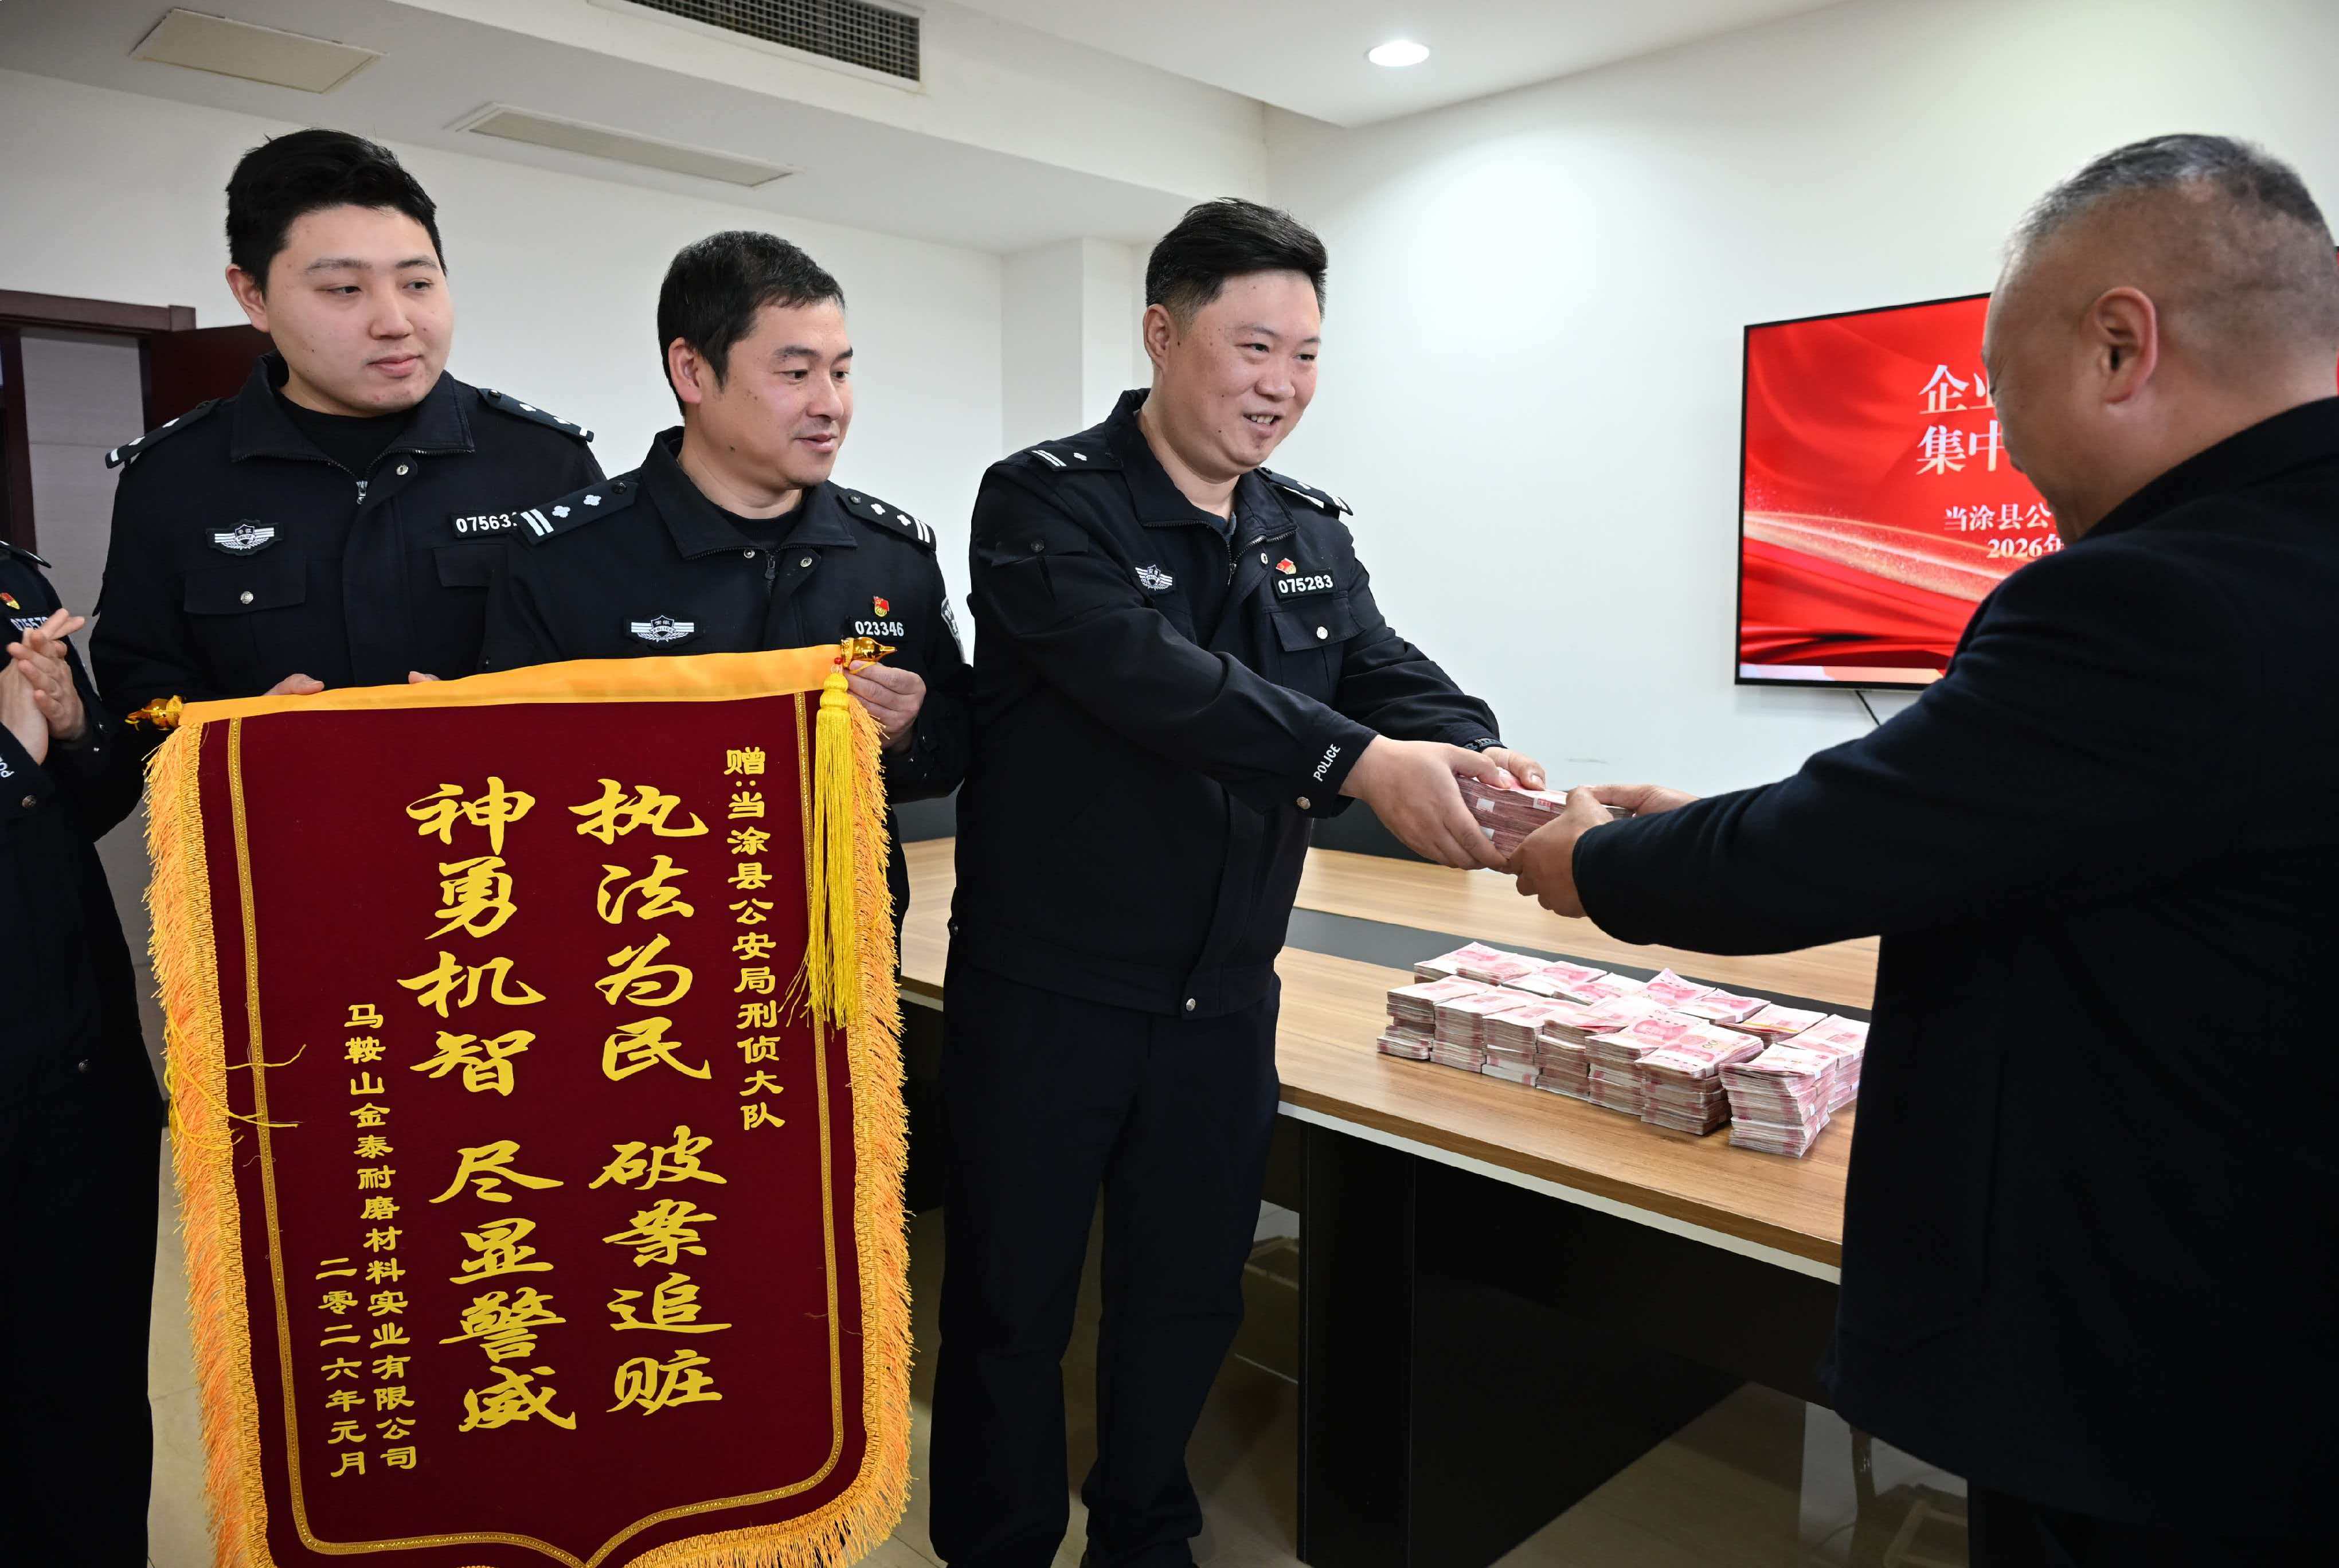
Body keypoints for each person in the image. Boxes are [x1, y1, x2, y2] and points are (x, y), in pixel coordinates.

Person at [1507, 134, 2339, 1565]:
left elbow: (1820, 851)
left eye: (2000, 389)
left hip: (2155, 1368)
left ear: (2118, 346)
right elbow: (2020, 815)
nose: (2003, 443)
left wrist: (1591, 861)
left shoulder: (2147, 597)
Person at [933, 198, 1546, 1568]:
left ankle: (1143, 1532)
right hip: (1048, 993)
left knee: (1185, 1295)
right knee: (1012, 1303)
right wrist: (1357, 759)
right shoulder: (1045, 499)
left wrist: (1473, 747)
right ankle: (996, 1541)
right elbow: (1154, 679)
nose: (1281, 383)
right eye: (1253, 345)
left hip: (1221, 996)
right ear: (1162, 334)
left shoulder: (1302, 526)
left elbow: (1377, 664)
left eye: (1306, 354)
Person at [480, 229, 969, 929]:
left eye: (840, 372)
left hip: (843, 947)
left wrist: (909, 729)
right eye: (795, 374)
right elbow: (508, 781)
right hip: (643, 942)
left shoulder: (892, 554)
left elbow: (954, 750)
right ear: (692, 372)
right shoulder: (566, 556)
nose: (830, 404)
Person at [92, 129, 601, 713]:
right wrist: (239, 730)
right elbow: (136, 685)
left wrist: (498, 722)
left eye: (417, 283)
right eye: (344, 289)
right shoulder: (173, 476)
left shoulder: (544, 461)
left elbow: (614, 661)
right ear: (253, 295)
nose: (395, 322)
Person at [0, 548, 159, 1566]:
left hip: (77, 1065)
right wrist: (11, 756)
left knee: (87, 1396)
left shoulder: (13, 583)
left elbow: (95, 792)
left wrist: (71, 727)